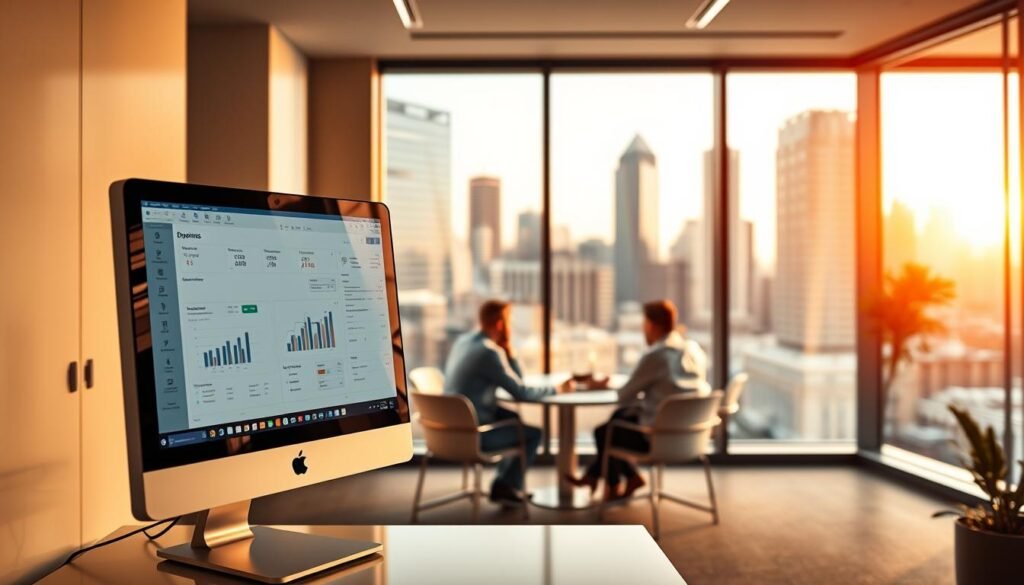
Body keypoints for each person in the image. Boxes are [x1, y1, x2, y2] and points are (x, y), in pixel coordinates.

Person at [567, 299, 708, 501]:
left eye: (644, 324)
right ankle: (619, 479)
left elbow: (624, 396)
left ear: (651, 325)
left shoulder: (657, 356)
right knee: (618, 418)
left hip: (658, 439)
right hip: (692, 436)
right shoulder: (693, 350)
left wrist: (603, 386)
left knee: (605, 431)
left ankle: (610, 480)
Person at [444, 300, 571, 506]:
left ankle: (504, 485)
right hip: (474, 433)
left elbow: (516, 383)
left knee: (514, 418)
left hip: (447, 428)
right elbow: (520, 392)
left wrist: (507, 350)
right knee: (533, 433)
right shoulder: (489, 352)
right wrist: (558, 389)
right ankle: (507, 485)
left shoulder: (464, 342)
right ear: (501, 324)